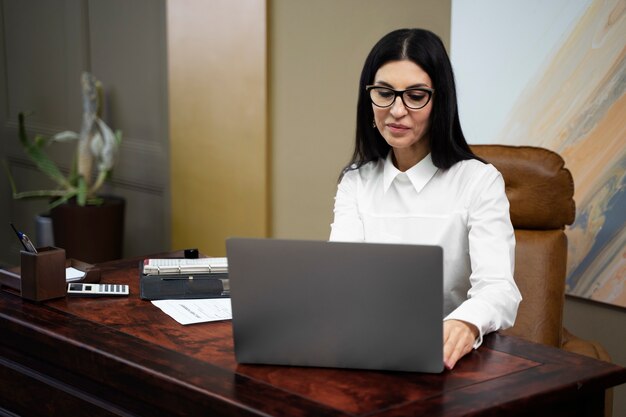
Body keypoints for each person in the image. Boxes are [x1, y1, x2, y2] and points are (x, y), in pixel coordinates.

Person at [329, 28, 522, 370]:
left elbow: (499, 289)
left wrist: (465, 323)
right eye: (384, 93)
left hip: (450, 362)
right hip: (367, 354)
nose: (397, 111)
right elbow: (342, 280)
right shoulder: (355, 182)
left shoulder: (479, 181)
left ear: (440, 101)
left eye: (415, 96)